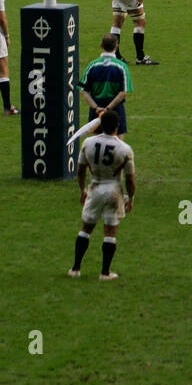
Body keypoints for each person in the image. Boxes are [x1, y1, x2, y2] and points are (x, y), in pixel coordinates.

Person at [68, 110, 135, 281]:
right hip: (113, 190)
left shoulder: (88, 143)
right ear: (117, 126)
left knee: (86, 229)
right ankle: (105, 272)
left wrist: (82, 189)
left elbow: (81, 170)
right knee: (110, 232)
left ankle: (75, 268)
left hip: (95, 186)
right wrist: (131, 197)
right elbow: (130, 179)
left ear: (100, 126)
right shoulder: (124, 149)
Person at [80, 34, 133, 135]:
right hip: (115, 110)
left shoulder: (91, 66)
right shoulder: (122, 67)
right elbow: (123, 93)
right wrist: (108, 108)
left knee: (97, 142)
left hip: (96, 109)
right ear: (116, 46)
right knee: (117, 143)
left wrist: (96, 108)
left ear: (101, 45)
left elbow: (83, 90)